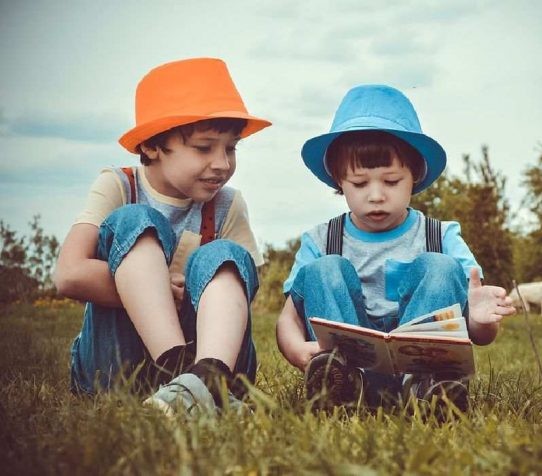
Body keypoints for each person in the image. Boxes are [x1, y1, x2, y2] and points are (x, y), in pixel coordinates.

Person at [276, 84, 515, 410]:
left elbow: (480, 334)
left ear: (414, 174)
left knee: (441, 266)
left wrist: (482, 321)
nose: (376, 195)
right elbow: (289, 317)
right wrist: (295, 350)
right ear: (338, 180)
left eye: (391, 181)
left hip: (420, 370)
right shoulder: (320, 240)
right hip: (350, 369)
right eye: (359, 183)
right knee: (324, 269)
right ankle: (340, 386)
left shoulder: (441, 236)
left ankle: (426, 390)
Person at [54, 58, 271, 415]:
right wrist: (154, 289)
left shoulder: (228, 204)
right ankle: (183, 376)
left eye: (231, 148)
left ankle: (208, 378)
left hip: (210, 353)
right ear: (153, 146)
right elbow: (69, 274)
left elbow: (243, 287)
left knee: (224, 254)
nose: (222, 163)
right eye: (204, 148)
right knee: (135, 220)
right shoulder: (119, 185)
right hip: (117, 367)